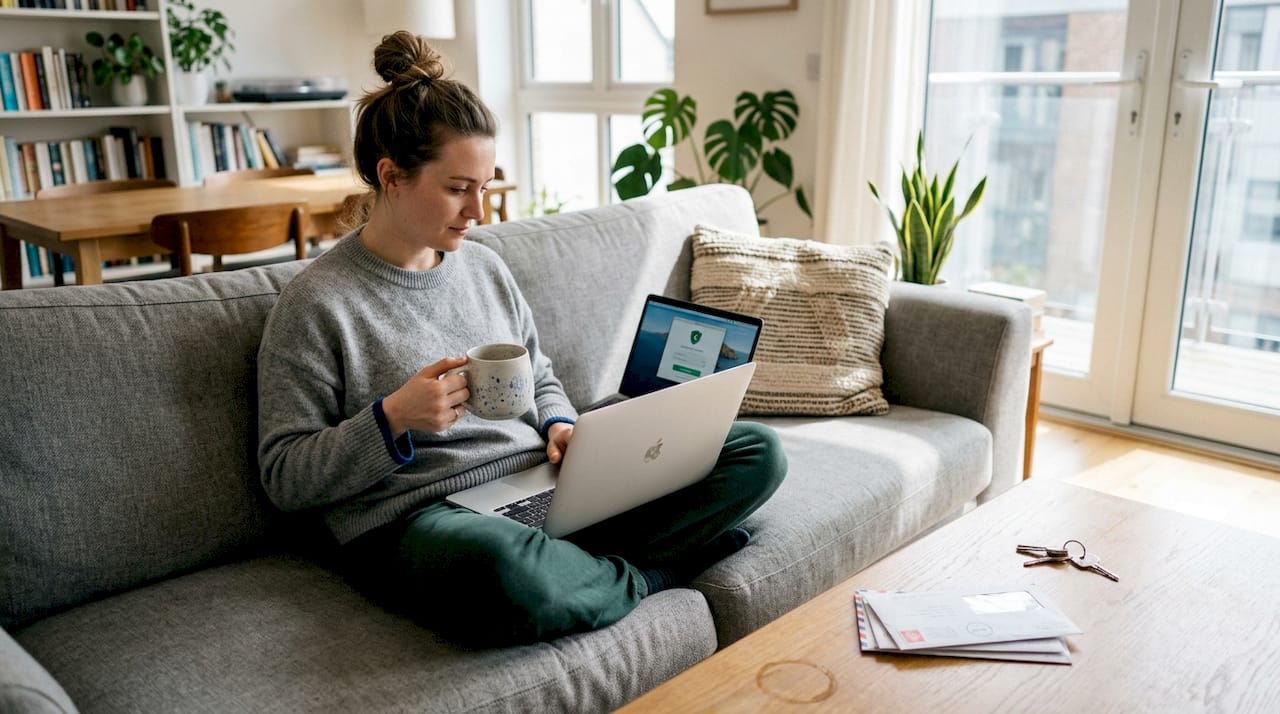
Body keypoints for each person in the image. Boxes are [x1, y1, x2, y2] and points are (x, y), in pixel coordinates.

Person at [256, 31, 787, 647]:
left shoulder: (483, 266)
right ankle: (653, 570)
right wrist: (392, 420)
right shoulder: (317, 303)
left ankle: (581, 569)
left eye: (484, 186)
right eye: (458, 188)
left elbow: (540, 374)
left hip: (541, 486)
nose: (477, 211)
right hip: (426, 518)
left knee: (754, 451)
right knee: (506, 572)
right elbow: (285, 477)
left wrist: (560, 424)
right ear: (391, 176)